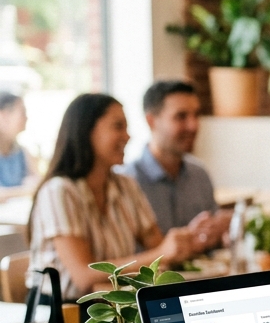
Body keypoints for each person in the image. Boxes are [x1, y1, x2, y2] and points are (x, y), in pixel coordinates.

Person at [28, 94, 196, 299]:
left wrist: (186, 241)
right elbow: (83, 276)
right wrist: (162, 253)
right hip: (65, 313)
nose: (127, 136)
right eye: (118, 126)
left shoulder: (126, 185)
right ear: (86, 131)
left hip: (116, 305)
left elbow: (159, 247)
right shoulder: (59, 191)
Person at [119, 81, 227, 250]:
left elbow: (212, 239)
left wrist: (221, 233)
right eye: (181, 116)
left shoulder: (199, 174)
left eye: (196, 115)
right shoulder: (126, 181)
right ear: (151, 122)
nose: (193, 126)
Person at [0, 92, 38, 198]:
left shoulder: (23, 152)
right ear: (3, 115)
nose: (26, 118)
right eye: (22, 113)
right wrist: (25, 190)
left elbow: (38, 183)